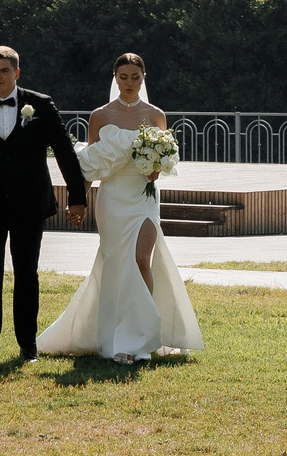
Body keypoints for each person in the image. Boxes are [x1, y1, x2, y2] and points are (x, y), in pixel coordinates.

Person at [37, 52, 204, 363]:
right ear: (115, 78)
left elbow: (163, 162)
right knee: (116, 264)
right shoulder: (100, 116)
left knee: (143, 259)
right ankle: (116, 338)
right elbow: (90, 165)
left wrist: (156, 168)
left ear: (143, 79)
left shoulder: (156, 115)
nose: (129, 83)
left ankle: (143, 338)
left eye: (135, 77)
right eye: (123, 77)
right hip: (112, 198)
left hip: (144, 198)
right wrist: (79, 201)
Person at [0, 45, 87, 365]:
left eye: (4, 71)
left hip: (29, 204)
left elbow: (64, 152)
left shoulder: (41, 105)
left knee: (27, 274)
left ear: (17, 73)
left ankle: (28, 346)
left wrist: (77, 198)